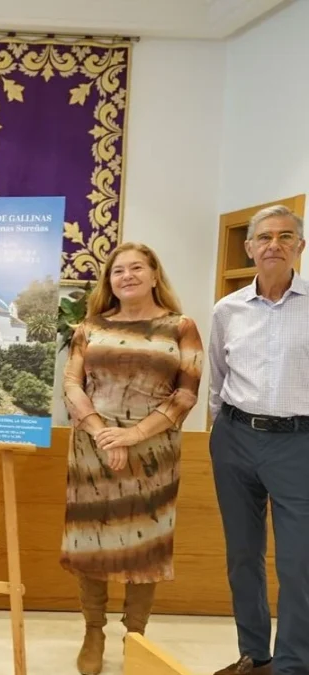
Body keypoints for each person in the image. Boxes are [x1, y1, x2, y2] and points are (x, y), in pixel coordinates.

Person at [60, 242, 203, 675]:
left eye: (136, 268)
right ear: (110, 281)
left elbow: (187, 392)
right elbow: (72, 383)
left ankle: (136, 636)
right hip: (92, 447)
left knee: (146, 543)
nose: (127, 276)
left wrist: (133, 434)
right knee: (92, 538)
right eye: (118, 270)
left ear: (154, 275)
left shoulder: (181, 326)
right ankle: (93, 631)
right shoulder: (88, 327)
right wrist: (103, 432)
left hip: (155, 449)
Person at [208, 204, 309, 675]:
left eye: (285, 237)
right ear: (249, 248)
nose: (274, 244)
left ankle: (292, 664)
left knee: (298, 563)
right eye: (264, 237)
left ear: (300, 247)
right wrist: (219, 430)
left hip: (298, 442)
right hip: (234, 438)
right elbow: (218, 377)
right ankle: (255, 655)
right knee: (243, 555)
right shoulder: (227, 310)